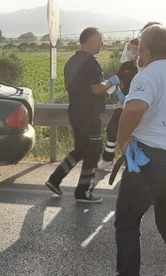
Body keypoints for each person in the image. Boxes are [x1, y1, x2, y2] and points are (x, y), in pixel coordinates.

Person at [115, 24, 166, 276]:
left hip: (153, 160)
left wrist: (123, 138)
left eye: (139, 50)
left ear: (147, 52)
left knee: (127, 221)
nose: (137, 55)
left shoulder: (148, 75)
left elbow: (135, 108)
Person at [45, 27, 120, 203]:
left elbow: (71, 86)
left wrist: (101, 87)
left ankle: (55, 180)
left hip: (75, 111)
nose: (102, 43)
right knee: (93, 151)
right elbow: (95, 89)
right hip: (89, 114)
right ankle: (83, 192)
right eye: (100, 40)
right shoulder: (91, 63)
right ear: (90, 41)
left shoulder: (72, 61)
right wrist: (110, 82)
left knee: (81, 149)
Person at [98, 22, 162, 171]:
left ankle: (139, 162)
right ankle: (108, 159)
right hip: (124, 102)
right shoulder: (127, 66)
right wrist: (115, 90)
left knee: (141, 134)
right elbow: (116, 82)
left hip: (147, 105)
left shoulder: (155, 67)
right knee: (114, 128)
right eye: (132, 49)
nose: (134, 52)